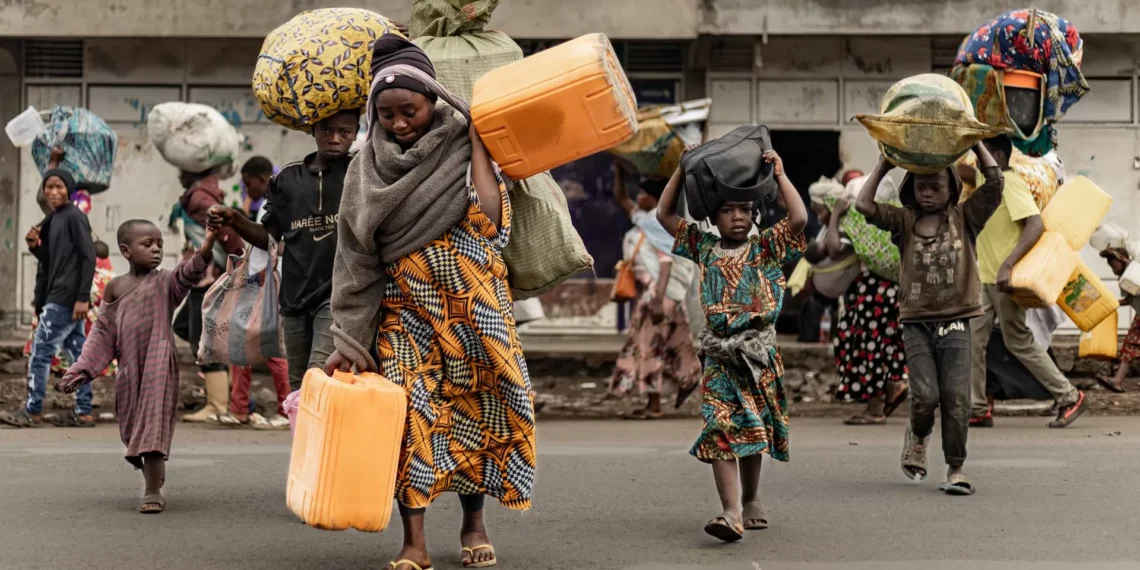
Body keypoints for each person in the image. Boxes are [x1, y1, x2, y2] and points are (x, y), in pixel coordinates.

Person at [322, 35, 534, 570]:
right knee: (409, 419)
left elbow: (494, 222)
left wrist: (482, 146)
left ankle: (473, 524)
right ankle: (413, 542)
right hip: (408, 315)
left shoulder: (464, 144)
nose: (398, 124)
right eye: (386, 114)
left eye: (408, 110)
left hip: (478, 309)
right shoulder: (364, 171)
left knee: (478, 411)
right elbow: (354, 259)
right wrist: (347, 339)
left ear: (434, 99)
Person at [657, 147, 808, 542]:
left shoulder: (766, 247)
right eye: (727, 210)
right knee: (720, 427)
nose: (737, 217)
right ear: (714, 216)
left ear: (754, 213)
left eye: (744, 209)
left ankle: (752, 496)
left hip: (757, 356)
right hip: (720, 356)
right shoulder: (704, 247)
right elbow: (664, 216)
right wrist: (679, 169)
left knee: (753, 431)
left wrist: (780, 174)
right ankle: (731, 511)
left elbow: (800, 218)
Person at [858, 143, 1003, 496]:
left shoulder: (965, 217)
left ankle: (956, 468)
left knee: (956, 397)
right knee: (924, 395)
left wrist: (975, 144)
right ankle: (919, 434)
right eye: (920, 186)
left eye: (935, 186)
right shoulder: (904, 221)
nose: (926, 192)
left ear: (952, 190)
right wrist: (883, 165)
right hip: (916, 322)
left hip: (957, 320)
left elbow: (996, 183)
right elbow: (864, 205)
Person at [60, 220, 216, 513]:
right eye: (148, 244)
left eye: (159, 244)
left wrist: (208, 240)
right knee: (133, 428)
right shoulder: (115, 288)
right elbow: (102, 334)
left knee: (152, 425)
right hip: (130, 369)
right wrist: (80, 370)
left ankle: (152, 490)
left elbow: (192, 269)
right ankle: (152, 471)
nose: (156, 249)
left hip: (159, 364)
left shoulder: (167, 282)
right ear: (125, 250)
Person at [207, 113, 358, 392]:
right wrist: (236, 219)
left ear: (357, 131)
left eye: (345, 132)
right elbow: (270, 237)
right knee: (298, 387)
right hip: (294, 297)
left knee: (318, 378)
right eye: (327, 130)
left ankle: (322, 436)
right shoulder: (288, 179)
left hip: (337, 296)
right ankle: (302, 436)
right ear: (313, 129)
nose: (335, 138)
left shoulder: (360, 172)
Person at [965, 136, 1087, 429]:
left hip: (1005, 278)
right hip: (985, 279)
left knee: (1017, 341)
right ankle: (978, 407)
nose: (976, 160)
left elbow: (1035, 224)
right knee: (972, 340)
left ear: (995, 155)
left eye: (981, 154)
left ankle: (1069, 396)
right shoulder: (986, 179)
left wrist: (1009, 264)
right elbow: (963, 171)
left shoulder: (1010, 182)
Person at [1, 170, 96, 428]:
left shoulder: (75, 217)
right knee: (78, 354)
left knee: (40, 353)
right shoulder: (53, 219)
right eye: (49, 187)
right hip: (58, 294)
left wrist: (82, 298)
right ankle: (84, 411)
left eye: (59, 187)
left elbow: (88, 257)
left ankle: (32, 410)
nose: (53, 192)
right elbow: (53, 262)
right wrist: (34, 247)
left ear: (69, 189)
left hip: (65, 298)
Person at [608, 166, 700, 418]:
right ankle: (687, 378)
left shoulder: (658, 224)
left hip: (657, 296)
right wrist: (619, 170)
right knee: (675, 343)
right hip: (663, 297)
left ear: (654, 198)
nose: (638, 198)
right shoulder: (644, 220)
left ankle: (654, 404)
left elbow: (665, 264)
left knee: (650, 346)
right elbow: (622, 199)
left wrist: (658, 300)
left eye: (642, 194)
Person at [216, 156, 292, 430]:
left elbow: (281, 244)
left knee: (270, 348)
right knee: (240, 346)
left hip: (269, 282)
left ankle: (285, 410)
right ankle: (239, 409)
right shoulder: (265, 208)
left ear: (263, 179)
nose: (248, 191)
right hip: (256, 281)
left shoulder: (278, 205)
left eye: (249, 185)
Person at [829, 178, 909, 425]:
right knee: (888, 342)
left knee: (867, 346)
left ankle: (874, 408)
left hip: (870, 291)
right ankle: (894, 384)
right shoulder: (894, 217)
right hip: (894, 290)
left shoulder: (858, 222)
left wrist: (835, 216)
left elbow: (833, 249)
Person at [176, 168, 244, 422]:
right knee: (184, 327)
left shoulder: (200, 198)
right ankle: (220, 390)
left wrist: (237, 265)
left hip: (208, 280)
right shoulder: (200, 195)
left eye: (183, 171)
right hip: (200, 279)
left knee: (206, 342)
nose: (179, 176)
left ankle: (217, 404)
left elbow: (227, 232)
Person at [1097, 248, 1138, 392]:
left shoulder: (1133, 273)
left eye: (1114, 265)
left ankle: (1117, 380)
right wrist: (1114, 303)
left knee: (1130, 346)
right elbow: (1130, 298)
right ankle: (1117, 380)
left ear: (1123, 260)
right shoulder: (1128, 277)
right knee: (1129, 346)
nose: (1113, 269)